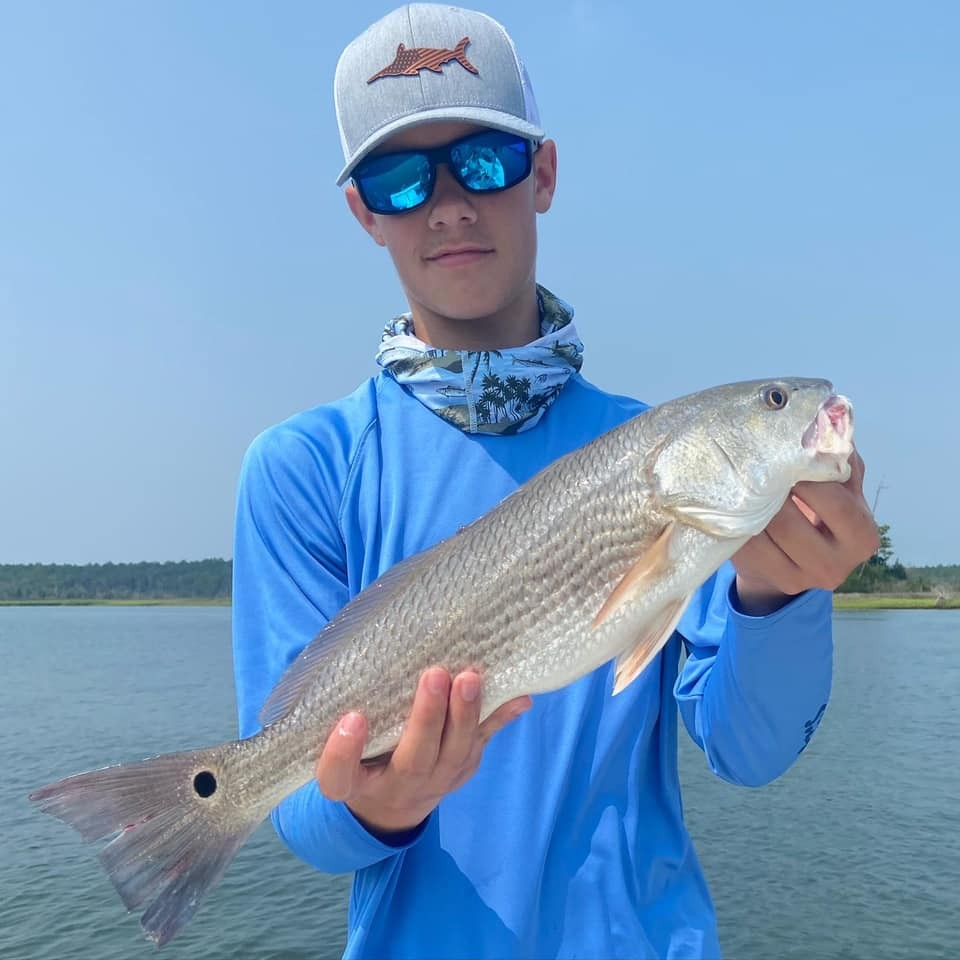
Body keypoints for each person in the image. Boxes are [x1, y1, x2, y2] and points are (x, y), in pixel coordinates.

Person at [231, 4, 879, 957]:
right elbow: (302, 823)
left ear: (543, 173)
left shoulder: (644, 448)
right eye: (401, 176)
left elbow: (752, 749)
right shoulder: (302, 470)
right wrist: (382, 804)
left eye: (484, 161)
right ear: (363, 211)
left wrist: (782, 592)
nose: (449, 204)